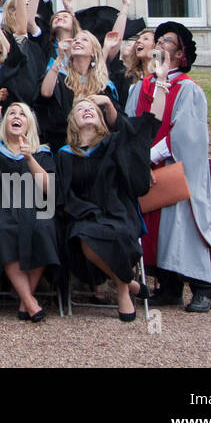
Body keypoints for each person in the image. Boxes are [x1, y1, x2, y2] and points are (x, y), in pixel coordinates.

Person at [56, 48, 171, 321]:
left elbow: (148, 125)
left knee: (117, 233)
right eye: (80, 109)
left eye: (91, 109)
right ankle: (129, 283)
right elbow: (65, 193)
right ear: (72, 121)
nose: (86, 111)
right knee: (83, 237)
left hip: (118, 211)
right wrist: (80, 211)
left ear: (101, 117)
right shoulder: (65, 153)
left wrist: (162, 81)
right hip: (84, 213)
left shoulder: (115, 143)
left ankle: (122, 291)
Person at [128, 21, 211, 313]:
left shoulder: (188, 90)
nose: (160, 43)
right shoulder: (141, 86)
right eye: (159, 39)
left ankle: (203, 288)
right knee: (156, 231)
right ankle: (169, 287)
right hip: (145, 172)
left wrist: (148, 156)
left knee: (182, 227)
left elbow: (186, 136)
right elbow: (131, 127)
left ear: (181, 55)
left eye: (167, 40)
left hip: (175, 170)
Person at [0, 99, 57, 321]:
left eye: (21, 114)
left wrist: (29, 158)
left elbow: (48, 188)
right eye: (11, 113)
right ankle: (30, 301)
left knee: (44, 227)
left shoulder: (42, 152)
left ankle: (24, 300)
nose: (16, 117)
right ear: (4, 122)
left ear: (29, 123)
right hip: (1, 206)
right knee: (2, 228)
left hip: (35, 205)